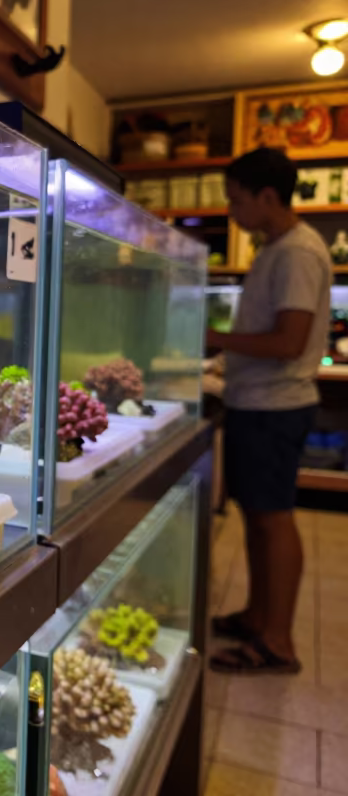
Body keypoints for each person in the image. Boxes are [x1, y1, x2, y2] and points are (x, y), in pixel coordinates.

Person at [208, 147, 331, 676]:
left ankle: (277, 642)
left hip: (275, 407)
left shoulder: (298, 253)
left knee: (274, 519)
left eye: (236, 200)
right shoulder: (276, 248)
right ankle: (259, 617)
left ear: (267, 196)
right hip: (255, 403)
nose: (231, 211)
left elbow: (289, 341)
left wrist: (214, 337)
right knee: (258, 517)